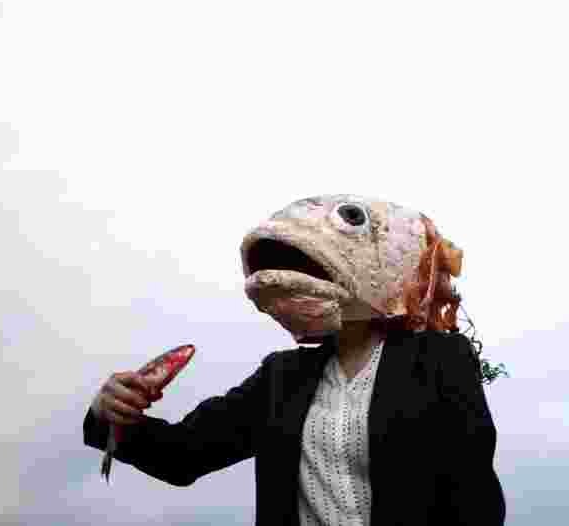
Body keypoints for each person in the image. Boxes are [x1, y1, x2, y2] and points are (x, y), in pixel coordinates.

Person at [83, 195, 505, 526]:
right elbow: (180, 456)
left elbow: (474, 502)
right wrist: (110, 415)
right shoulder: (279, 379)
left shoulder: (441, 359)